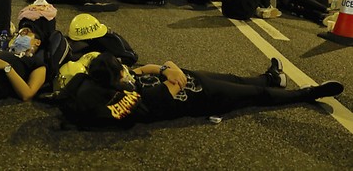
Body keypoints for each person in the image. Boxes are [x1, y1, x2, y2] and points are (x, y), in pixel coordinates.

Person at [57, 52, 344, 129]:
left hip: (198, 81)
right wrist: (169, 68)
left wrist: (162, 68)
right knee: (257, 97)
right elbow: (174, 80)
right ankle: (309, 93)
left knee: (239, 80)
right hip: (206, 98)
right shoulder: (137, 98)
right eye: (120, 68)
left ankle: (271, 78)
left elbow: (144, 69)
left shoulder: (123, 82)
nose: (125, 68)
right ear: (114, 79)